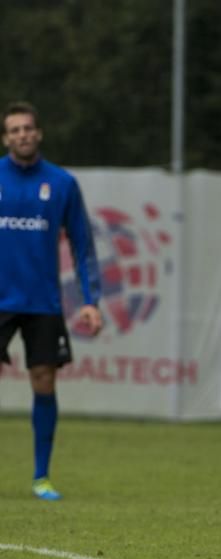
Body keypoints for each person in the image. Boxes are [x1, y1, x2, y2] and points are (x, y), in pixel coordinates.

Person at [0, 101, 103, 501]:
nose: (22, 134)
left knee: (44, 382)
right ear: (6, 137)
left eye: (28, 128)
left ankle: (41, 477)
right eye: (14, 130)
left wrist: (90, 300)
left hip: (42, 301)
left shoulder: (61, 183)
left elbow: (83, 244)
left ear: (38, 133)